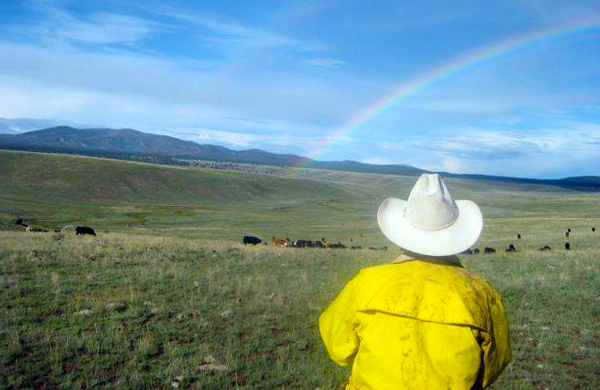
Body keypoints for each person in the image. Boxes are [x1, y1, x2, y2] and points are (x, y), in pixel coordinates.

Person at [319, 174, 511, 390]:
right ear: (456, 232)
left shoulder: (365, 282)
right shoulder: (481, 295)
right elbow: (493, 367)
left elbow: (338, 349)